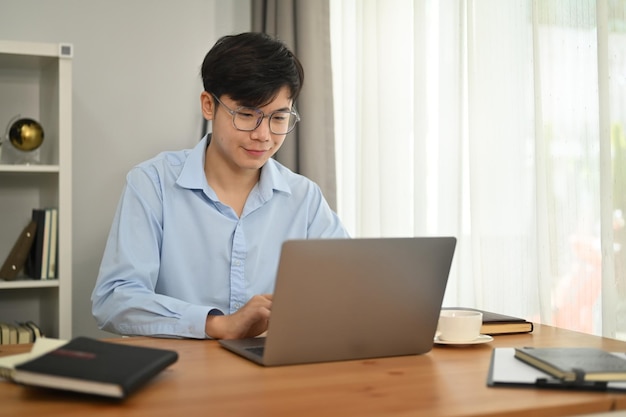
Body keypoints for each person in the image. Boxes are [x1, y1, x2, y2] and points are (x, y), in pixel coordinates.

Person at [91, 32, 348, 340]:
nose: (263, 135)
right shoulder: (152, 184)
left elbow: (349, 285)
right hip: (178, 373)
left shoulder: (304, 198)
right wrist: (216, 324)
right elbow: (114, 299)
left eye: (278, 118)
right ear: (208, 106)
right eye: (246, 114)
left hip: (273, 373)